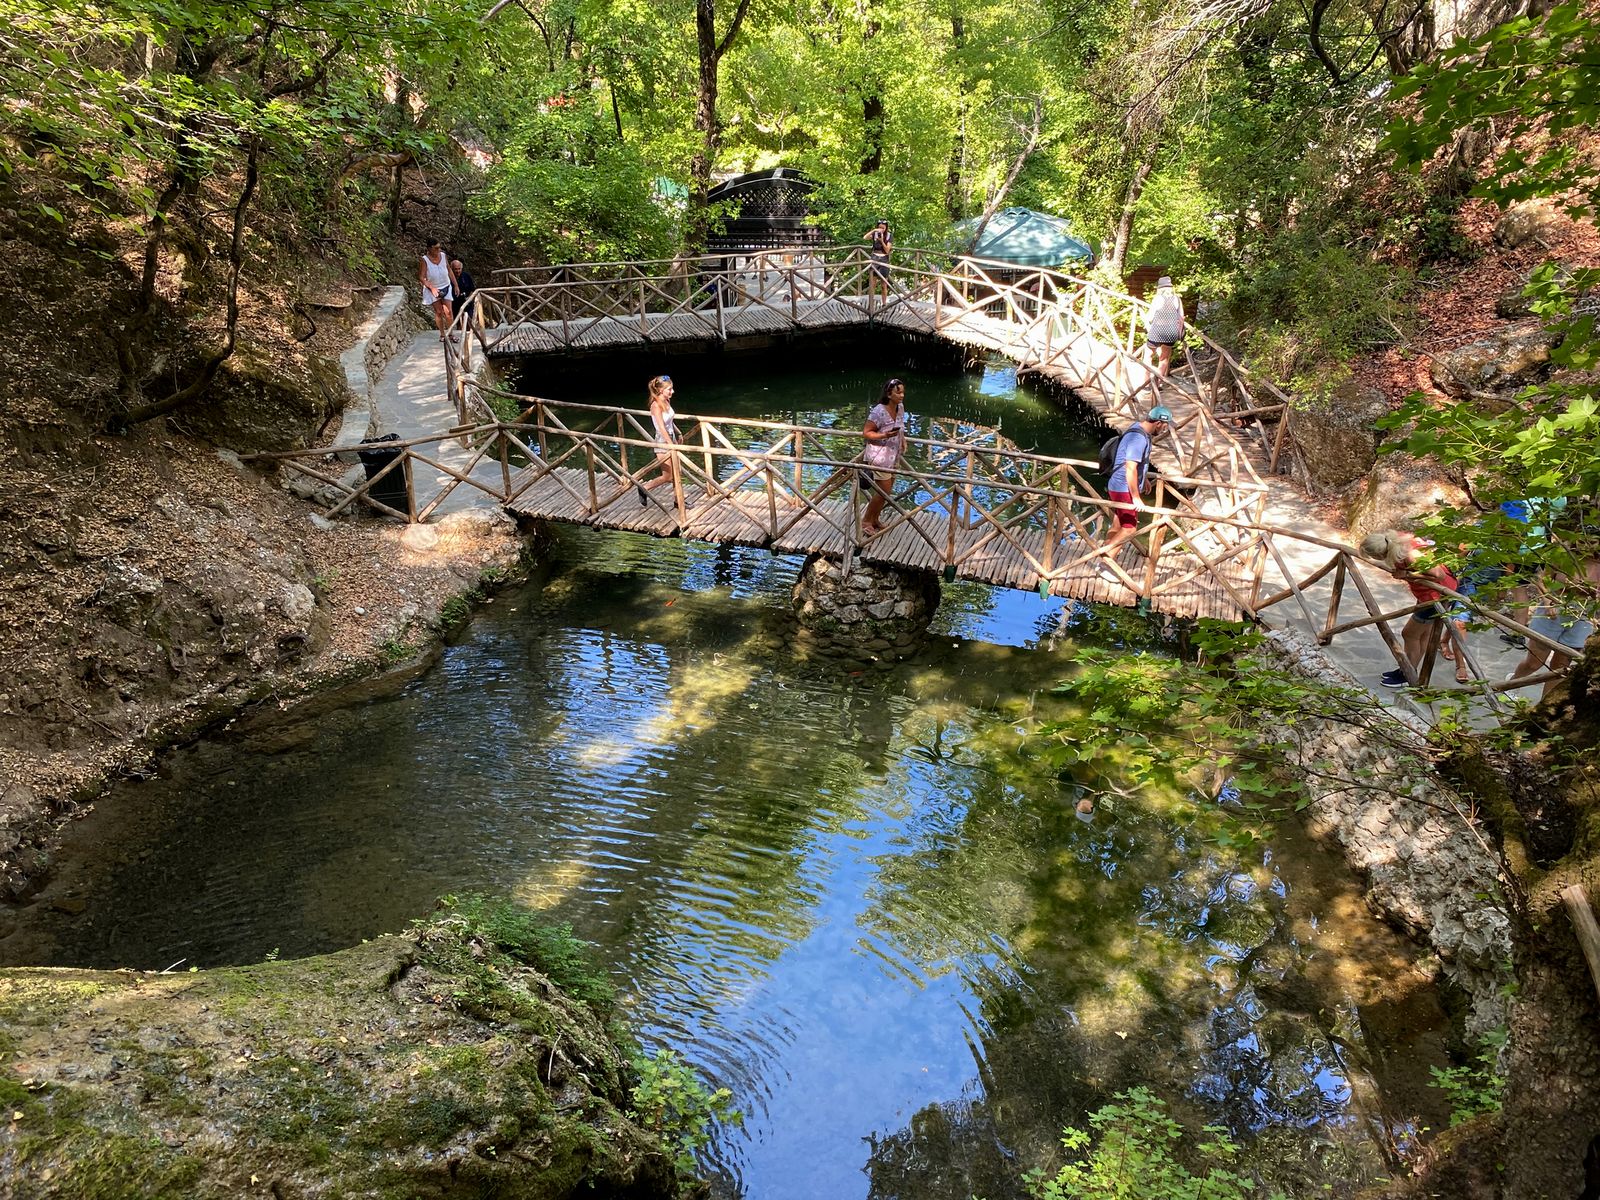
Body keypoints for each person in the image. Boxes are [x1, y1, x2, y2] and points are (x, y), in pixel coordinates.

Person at [1360, 530, 1467, 687]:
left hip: (1436, 596)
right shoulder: (1397, 543)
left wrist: (1407, 575)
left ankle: (1407, 675)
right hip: (1430, 594)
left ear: (1381, 553)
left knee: (1409, 634)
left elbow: (1438, 575)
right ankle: (1408, 669)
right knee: (1422, 635)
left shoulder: (1411, 555)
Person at [1507, 556, 1600, 699]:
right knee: (1534, 663)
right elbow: (1542, 579)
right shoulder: (1563, 555)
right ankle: (1513, 683)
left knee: (1561, 667)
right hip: (1554, 610)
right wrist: (1548, 600)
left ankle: (1544, 704)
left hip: (1583, 615)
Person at [1097, 406, 1173, 558]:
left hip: (1117, 486)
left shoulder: (1138, 428)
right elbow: (1130, 468)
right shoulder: (1138, 439)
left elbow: (1138, 463)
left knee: (1118, 524)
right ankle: (1105, 561)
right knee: (1130, 528)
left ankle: (1107, 552)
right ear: (1158, 423)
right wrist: (1136, 498)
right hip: (1123, 488)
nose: (1166, 429)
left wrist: (1143, 478)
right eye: (1165, 425)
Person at [861, 377, 908, 536]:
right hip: (879, 456)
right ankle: (866, 520)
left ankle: (875, 519)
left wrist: (903, 440)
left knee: (887, 491)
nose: (901, 395)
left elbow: (900, 426)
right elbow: (866, 432)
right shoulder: (878, 411)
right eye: (898, 392)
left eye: (902, 392)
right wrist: (885, 435)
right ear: (889, 394)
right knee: (884, 491)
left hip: (894, 455)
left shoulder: (900, 408)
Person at [637, 375, 680, 505]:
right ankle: (644, 488)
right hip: (662, 440)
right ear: (661, 390)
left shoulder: (667, 401)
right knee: (668, 476)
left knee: (677, 473)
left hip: (671, 436)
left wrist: (679, 433)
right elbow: (661, 427)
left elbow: (670, 421)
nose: (672, 392)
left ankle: (678, 501)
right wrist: (670, 444)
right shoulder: (655, 405)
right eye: (669, 389)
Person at [1144, 276, 1185, 382]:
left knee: (1148, 355)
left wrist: (1145, 321)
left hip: (1157, 331)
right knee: (1164, 358)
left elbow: (1150, 318)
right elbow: (1181, 317)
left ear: (1160, 288)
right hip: (1171, 333)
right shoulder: (1177, 299)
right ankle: (1157, 383)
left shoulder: (1158, 299)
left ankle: (1146, 381)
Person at [418, 240, 458, 341]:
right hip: (433, 288)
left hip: (446, 285)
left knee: (448, 311)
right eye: (436, 248)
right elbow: (422, 277)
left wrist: (456, 285)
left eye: (439, 247)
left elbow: (449, 269)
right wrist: (432, 288)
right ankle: (442, 334)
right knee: (439, 312)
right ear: (429, 248)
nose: (438, 250)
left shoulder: (443, 256)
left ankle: (451, 334)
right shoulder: (424, 260)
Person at [863, 219, 893, 305]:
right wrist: (874, 231)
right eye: (879, 227)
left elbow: (887, 250)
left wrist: (882, 241)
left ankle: (884, 303)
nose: (881, 230)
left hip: (884, 260)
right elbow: (865, 237)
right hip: (875, 258)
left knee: (884, 285)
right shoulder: (875, 233)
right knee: (872, 285)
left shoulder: (889, 236)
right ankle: (871, 304)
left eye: (883, 228)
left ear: (886, 228)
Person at [450, 259, 477, 324]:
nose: (457, 271)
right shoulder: (448, 277)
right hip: (454, 304)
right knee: (458, 322)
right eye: (455, 269)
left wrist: (469, 299)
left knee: (470, 322)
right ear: (451, 269)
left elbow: (472, 289)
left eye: (459, 269)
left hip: (467, 302)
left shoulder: (466, 276)